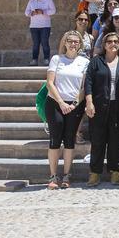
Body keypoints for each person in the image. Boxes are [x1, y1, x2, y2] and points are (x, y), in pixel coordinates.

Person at [45, 30, 89, 189]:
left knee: (70, 139)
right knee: (55, 139)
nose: (72, 44)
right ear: (64, 42)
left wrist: (75, 103)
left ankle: (66, 175)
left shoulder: (84, 62)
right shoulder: (57, 59)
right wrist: (61, 103)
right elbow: (50, 83)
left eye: (76, 41)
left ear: (80, 45)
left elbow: (84, 86)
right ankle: (53, 175)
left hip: (75, 105)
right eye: (69, 41)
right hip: (55, 103)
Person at [84, 32, 119, 187]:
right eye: (109, 41)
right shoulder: (96, 61)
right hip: (98, 106)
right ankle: (94, 173)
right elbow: (88, 82)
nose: (113, 44)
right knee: (97, 139)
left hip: (118, 106)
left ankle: (115, 171)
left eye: (116, 41)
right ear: (104, 45)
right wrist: (89, 102)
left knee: (116, 140)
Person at [25, 0, 56, 66]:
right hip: (34, 26)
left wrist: (43, 12)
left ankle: (46, 59)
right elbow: (26, 12)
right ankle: (34, 60)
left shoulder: (48, 0)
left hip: (45, 26)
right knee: (35, 44)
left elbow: (53, 11)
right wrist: (32, 13)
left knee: (45, 43)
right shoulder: (31, 1)